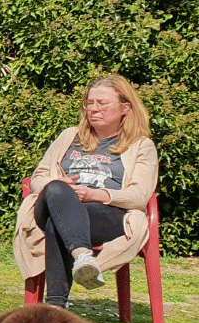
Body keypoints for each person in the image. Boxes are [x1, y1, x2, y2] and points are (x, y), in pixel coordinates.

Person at [14, 75, 158, 307]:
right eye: (90, 103)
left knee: (57, 223)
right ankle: (82, 257)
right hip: (55, 202)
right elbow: (38, 178)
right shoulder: (69, 136)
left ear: (125, 107)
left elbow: (140, 195)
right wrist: (57, 183)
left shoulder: (141, 146)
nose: (93, 109)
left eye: (102, 103)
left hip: (105, 215)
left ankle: (54, 307)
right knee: (57, 190)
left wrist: (95, 195)